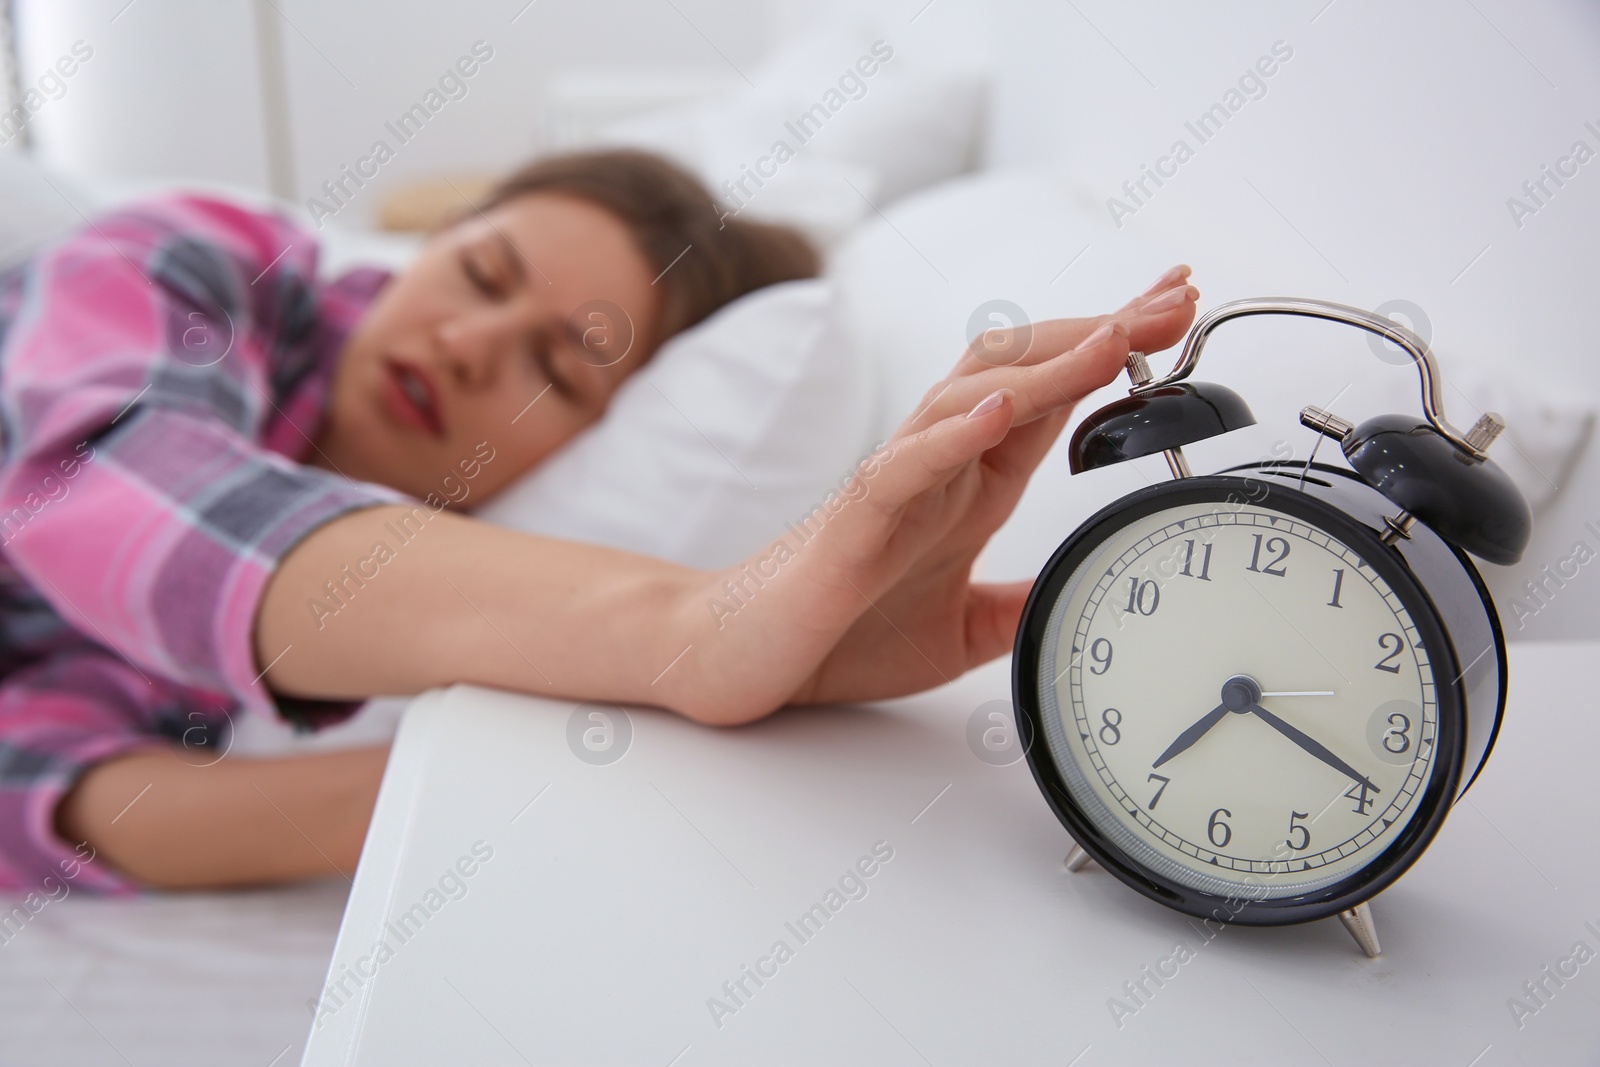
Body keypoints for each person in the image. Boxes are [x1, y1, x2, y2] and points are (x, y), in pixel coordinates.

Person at [0, 148, 1199, 892]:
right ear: (438, 237)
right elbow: (100, 481)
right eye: (479, 272)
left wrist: (596, 757)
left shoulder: (316, 610)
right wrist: (686, 628)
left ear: (592, 439)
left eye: (554, 368)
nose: (467, 346)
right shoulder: (202, 258)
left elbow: (58, 795)